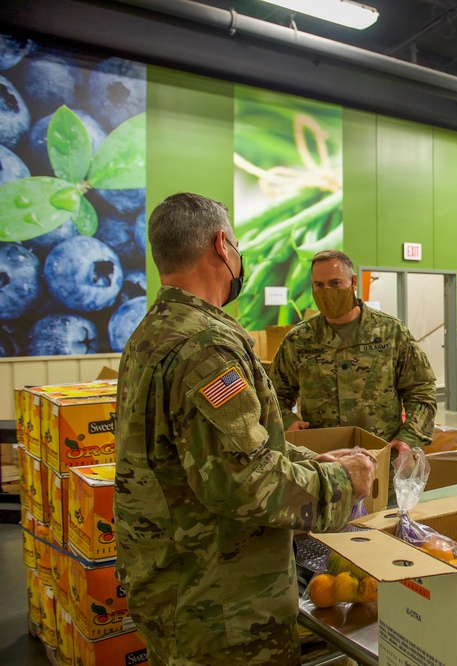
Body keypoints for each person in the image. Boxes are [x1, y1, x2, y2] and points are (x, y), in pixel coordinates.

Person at [115, 193, 377, 665]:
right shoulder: (206, 345)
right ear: (221, 246)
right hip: (221, 605)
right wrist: (341, 482)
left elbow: (219, 450)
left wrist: (311, 460)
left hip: (173, 580)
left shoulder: (152, 333)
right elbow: (242, 481)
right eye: (235, 245)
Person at [268, 250, 437, 459]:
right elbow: (273, 395)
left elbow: (421, 390)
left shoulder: (390, 332)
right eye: (318, 285)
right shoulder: (299, 339)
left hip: (381, 460)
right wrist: (287, 421)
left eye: (335, 283)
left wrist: (410, 436)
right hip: (323, 465)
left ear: (353, 282)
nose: (326, 291)